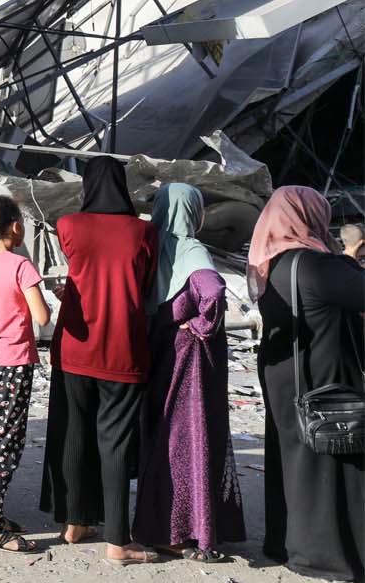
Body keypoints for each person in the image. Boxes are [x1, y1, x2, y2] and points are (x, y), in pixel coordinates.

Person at [40, 156, 159, 565]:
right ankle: (117, 541)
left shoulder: (69, 225)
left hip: (76, 346)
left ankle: (73, 523)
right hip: (124, 349)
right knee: (116, 442)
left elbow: (83, 273)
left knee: (73, 433)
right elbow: (143, 286)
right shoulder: (143, 231)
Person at [250, 185, 364, 582]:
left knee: (292, 457)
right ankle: (327, 557)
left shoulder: (271, 264)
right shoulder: (318, 265)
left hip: (284, 376)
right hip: (323, 375)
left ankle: (285, 543)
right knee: (332, 459)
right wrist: (350, 257)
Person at [132, 183, 245, 562]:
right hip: (193, 361)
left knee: (165, 438)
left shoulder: (151, 248)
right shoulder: (191, 248)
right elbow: (212, 292)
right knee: (192, 438)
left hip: (160, 354)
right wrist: (200, 324)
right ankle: (188, 530)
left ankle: (163, 527)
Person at [0, 195, 48, 554]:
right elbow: (42, 316)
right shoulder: (21, 266)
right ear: (15, 226)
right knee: (7, 443)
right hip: (14, 362)